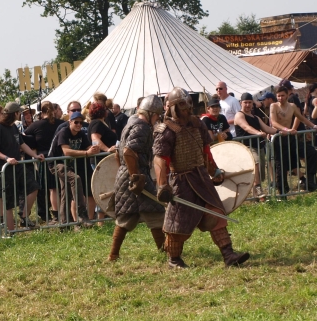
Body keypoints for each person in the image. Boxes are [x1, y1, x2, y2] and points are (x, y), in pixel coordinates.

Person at [153, 88, 249, 268]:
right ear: (173, 107)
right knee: (178, 224)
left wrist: (215, 171)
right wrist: (162, 185)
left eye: (188, 102)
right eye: (182, 104)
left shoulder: (197, 124)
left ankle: (228, 255)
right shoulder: (165, 130)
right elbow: (160, 159)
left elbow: (206, 151)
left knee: (216, 214)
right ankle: (174, 259)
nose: (187, 107)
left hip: (201, 177)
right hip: (181, 181)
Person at [108, 94, 166, 261]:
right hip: (136, 176)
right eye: (156, 115)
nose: (156, 119)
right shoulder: (141, 127)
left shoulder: (130, 123)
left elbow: (120, 152)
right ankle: (165, 251)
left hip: (127, 174)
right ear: (150, 113)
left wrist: (126, 173)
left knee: (127, 216)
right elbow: (128, 152)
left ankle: (113, 255)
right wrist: (135, 176)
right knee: (156, 212)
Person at [0, 102, 42, 232]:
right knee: (8, 202)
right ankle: (11, 232)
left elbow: (22, 145)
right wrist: (6, 158)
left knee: (34, 187)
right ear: (15, 113)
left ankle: (24, 216)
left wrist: (35, 155)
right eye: (19, 112)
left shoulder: (13, 127)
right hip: (4, 169)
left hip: (17, 166)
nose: (21, 115)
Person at [269, 84, 317, 194]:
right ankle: (282, 192)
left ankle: (310, 181)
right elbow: (273, 122)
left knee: (311, 152)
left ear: (287, 95)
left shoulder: (292, 106)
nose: (280, 98)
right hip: (279, 139)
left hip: (290, 138)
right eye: (278, 96)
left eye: (282, 95)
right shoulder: (274, 106)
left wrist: (314, 126)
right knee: (281, 166)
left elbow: (301, 117)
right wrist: (285, 129)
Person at [52, 110, 96, 225]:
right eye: (76, 122)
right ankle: (82, 213)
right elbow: (66, 152)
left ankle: (64, 224)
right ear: (70, 122)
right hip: (56, 163)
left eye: (81, 123)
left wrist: (94, 148)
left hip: (68, 164)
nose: (79, 125)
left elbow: (88, 146)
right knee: (75, 179)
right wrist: (86, 153)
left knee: (65, 194)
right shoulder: (64, 132)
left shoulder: (81, 133)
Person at [234, 93, 278, 198]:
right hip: (247, 147)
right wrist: (257, 133)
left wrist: (283, 130)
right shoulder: (239, 115)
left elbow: (267, 129)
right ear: (241, 103)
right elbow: (246, 127)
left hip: (259, 147)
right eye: (245, 102)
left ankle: (256, 198)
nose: (248, 105)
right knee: (256, 164)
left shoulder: (256, 117)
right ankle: (258, 188)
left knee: (261, 171)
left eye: (250, 102)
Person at [23, 102, 61, 223]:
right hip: (59, 156)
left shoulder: (36, 125)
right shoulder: (61, 123)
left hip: (43, 158)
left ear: (41, 112)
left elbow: (23, 137)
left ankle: (53, 215)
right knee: (59, 187)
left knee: (50, 189)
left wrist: (33, 147)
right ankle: (58, 213)